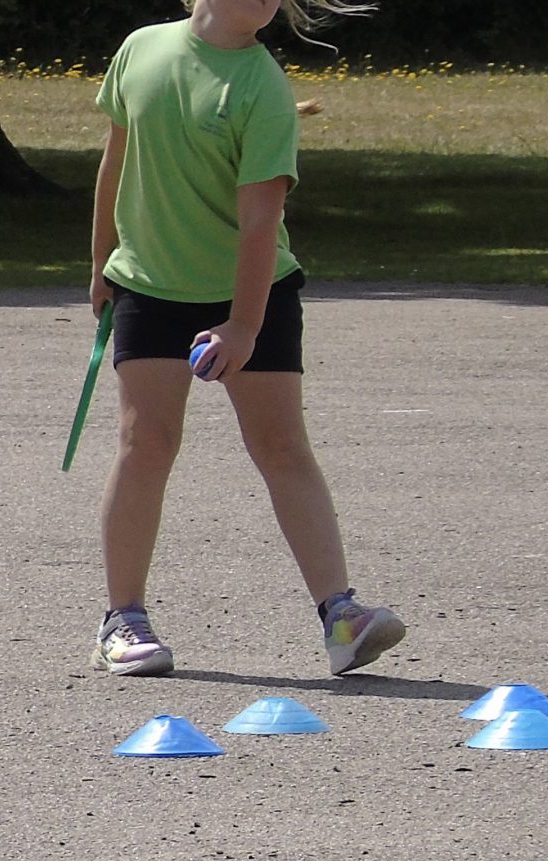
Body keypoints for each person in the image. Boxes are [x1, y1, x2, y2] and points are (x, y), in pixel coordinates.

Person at [86, 0, 402, 679]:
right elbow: (116, 159)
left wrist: (244, 325)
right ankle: (124, 621)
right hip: (151, 285)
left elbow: (261, 222)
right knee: (147, 442)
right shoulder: (141, 50)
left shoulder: (262, 86)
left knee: (282, 445)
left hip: (252, 290)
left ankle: (341, 616)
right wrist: (102, 263)